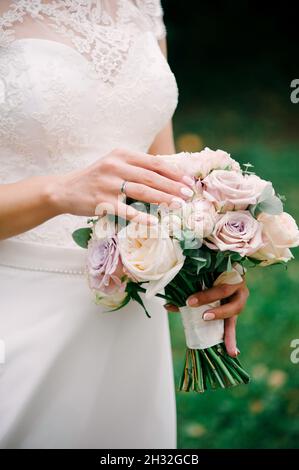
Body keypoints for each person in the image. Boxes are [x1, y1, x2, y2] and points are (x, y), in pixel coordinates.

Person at [0, 0, 249, 449]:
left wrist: (213, 258)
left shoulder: (142, 6)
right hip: (18, 305)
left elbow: (164, 168)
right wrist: (56, 193)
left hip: (132, 313)